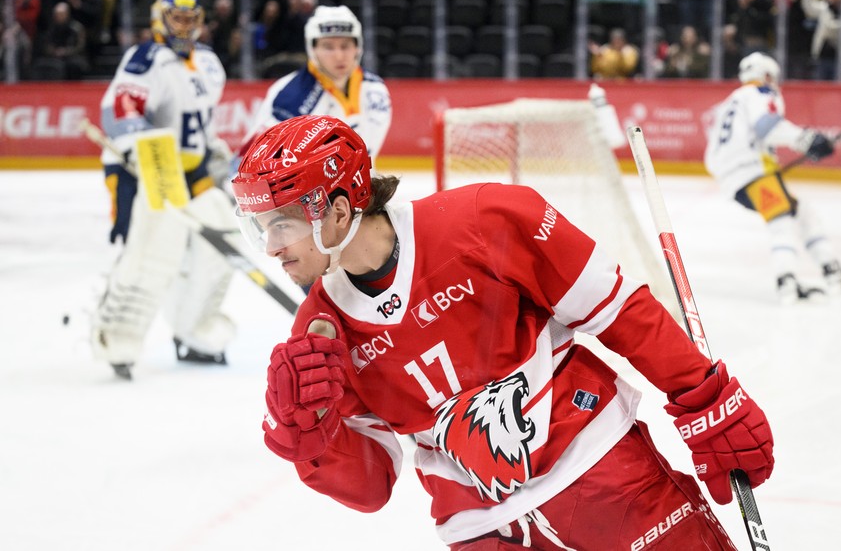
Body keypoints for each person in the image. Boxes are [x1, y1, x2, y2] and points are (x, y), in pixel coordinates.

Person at [230, 115, 775, 549]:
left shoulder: (486, 219)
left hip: (606, 478)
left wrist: (704, 395)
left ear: (340, 210)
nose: (272, 246)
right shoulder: (319, 334)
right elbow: (372, 486)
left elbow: (617, 311)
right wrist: (310, 442)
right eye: (260, 227)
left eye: (283, 223)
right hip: (483, 532)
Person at [92, 0, 237, 380]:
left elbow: (200, 123)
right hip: (150, 170)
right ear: (160, 17)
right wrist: (141, 145)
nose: (184, 26)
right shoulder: (145, 59)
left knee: (224, 243)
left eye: (191, 19)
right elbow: (119, 110)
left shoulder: (208, 63)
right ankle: (117, 339)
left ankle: (195, 332)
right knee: (150, 256)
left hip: (193, 172)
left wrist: (214, 151)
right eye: (177, 17)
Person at [704, 52, 841, 302]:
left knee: (801, 211)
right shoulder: (760, 93)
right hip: (752, 171)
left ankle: (831, 268)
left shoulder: (729, 102)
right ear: (767, 75)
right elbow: (766, 127)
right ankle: (787, 281)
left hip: (736, 175)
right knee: (781, 217)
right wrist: (806, 140)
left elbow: (714, 152)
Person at [229, 4, 392, 181]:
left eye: (345, 45)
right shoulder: (288, 96)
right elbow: (249, 164)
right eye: (328, 47)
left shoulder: (376, 90)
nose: (339, 56)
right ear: (312, 48)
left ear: (357, 47)